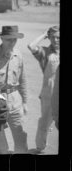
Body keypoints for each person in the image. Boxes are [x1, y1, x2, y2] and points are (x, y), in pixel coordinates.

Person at [0, 25, 28, 153]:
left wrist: (24, 102)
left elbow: (23, 80)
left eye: (14, 39)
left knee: (20, 137)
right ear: (2, 38)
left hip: (15, 102)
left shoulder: (18, 55)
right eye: (9, 39)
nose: (12, 42)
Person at [27, 25, 60, 154]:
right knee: (45, 122)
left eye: (58, 37)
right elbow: (31, 46)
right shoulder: (45, 53)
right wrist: (43, 34)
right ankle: (40, 147)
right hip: (49, 93)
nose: (55, 40)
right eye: (52, 37)